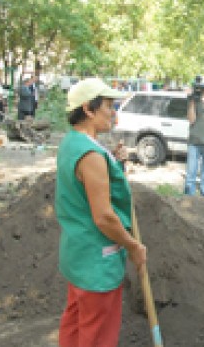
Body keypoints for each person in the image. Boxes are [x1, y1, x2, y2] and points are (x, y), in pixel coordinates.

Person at [55, 77, 146, 347]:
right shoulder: (91, 156)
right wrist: (132, 246)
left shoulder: (73, 143)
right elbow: (104, 217)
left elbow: (85, 184)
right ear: (88, 109)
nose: (113, 112)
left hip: (78, 255)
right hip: (97, 262)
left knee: (75, 324)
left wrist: (114, 162)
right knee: (97, 336)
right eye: (108, 105)